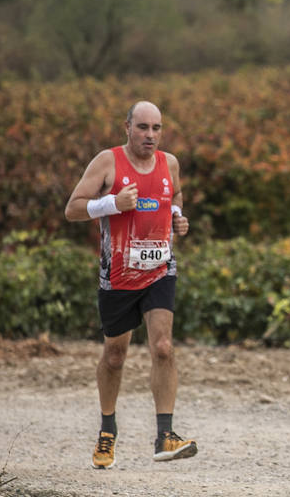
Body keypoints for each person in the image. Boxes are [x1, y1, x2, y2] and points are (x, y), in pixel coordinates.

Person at [64, 100, 195, 469]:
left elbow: (176, 196)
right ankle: (108, 429)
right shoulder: (107, 162)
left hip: (160, 270)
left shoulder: (170, 163)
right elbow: (72, 208)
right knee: (115, 356)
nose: (150, 135)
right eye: (142, 127)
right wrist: (111, 204)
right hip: (119, 275)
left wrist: (178, 218)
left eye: (156, 128)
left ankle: (165, 435)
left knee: (164, 347)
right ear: (127, 127)